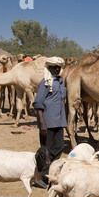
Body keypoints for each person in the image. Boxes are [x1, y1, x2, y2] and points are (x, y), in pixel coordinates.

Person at [32, 57, 67, 189]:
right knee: (45, 150)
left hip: (59, 121)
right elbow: (38, 103)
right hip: (48, 121)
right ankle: (40, 176)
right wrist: (42, 123)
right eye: (54, 67)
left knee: (59, 147)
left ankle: (49, 173)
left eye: (58, 67)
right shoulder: (45, 83)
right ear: (49, 68)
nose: (57, 69)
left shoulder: (60, 81)